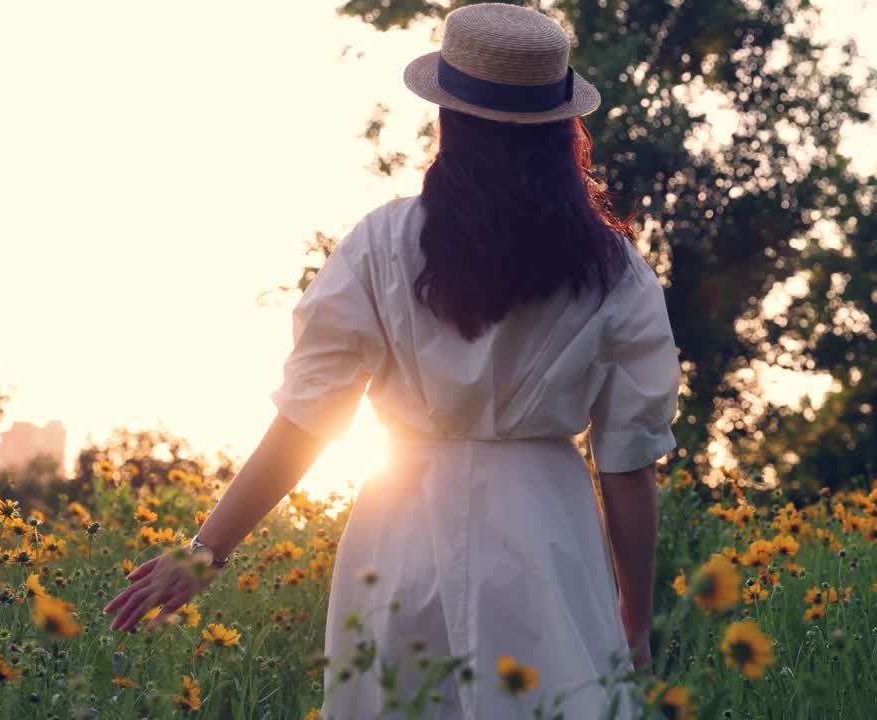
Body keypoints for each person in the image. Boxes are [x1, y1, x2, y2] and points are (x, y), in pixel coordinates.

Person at [103, 3, 680, 717]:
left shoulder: (382, 242)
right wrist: (634, 618)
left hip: (402, 533)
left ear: (449, 118)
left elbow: (308, 421)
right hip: (548, 535)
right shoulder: (615, 267)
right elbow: (628, 462)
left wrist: (206, 551)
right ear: (564, 129)